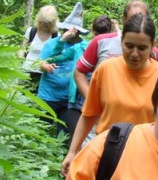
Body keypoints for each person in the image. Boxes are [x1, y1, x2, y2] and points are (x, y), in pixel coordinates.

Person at [61, 13, 158, 176]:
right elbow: (89, 114)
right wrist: (73, 151)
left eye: (142, 48)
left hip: (145, 159)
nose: (134, 54)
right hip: (106, 154)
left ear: (153, 45)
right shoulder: (106, 69)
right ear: (121, 40)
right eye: (129, 46)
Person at [73, 0, 158, 100]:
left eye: (142, 48)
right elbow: (79, 72)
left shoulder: (154, 52)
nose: (136, 24)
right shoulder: (101, 42)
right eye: (132, 19)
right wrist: (92, 100)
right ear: (123, 19)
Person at [45, 15, 113, 145]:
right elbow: (52, 59)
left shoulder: (111, 52)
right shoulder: (80, 48)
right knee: (79, 140)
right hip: (80, 101)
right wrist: (62, 40)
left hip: (97, 101)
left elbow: (53, 58)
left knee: (90, 140)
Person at [37, 3, 88, 141]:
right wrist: (46, 67)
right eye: (66, 29)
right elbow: (41, 62)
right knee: (41, 130)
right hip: (48, 96)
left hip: (69, 98)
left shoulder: (84, 46)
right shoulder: (52, 43)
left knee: (64, 134)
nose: (68, 32)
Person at [20, 5, 59, 93]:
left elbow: (57, 56)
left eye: (47, 23)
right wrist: (20, 57)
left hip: (44, 74)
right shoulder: (31, 31)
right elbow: (23, 48)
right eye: (43, 22)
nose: (45, 24)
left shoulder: (56, 35)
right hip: (26, 71)